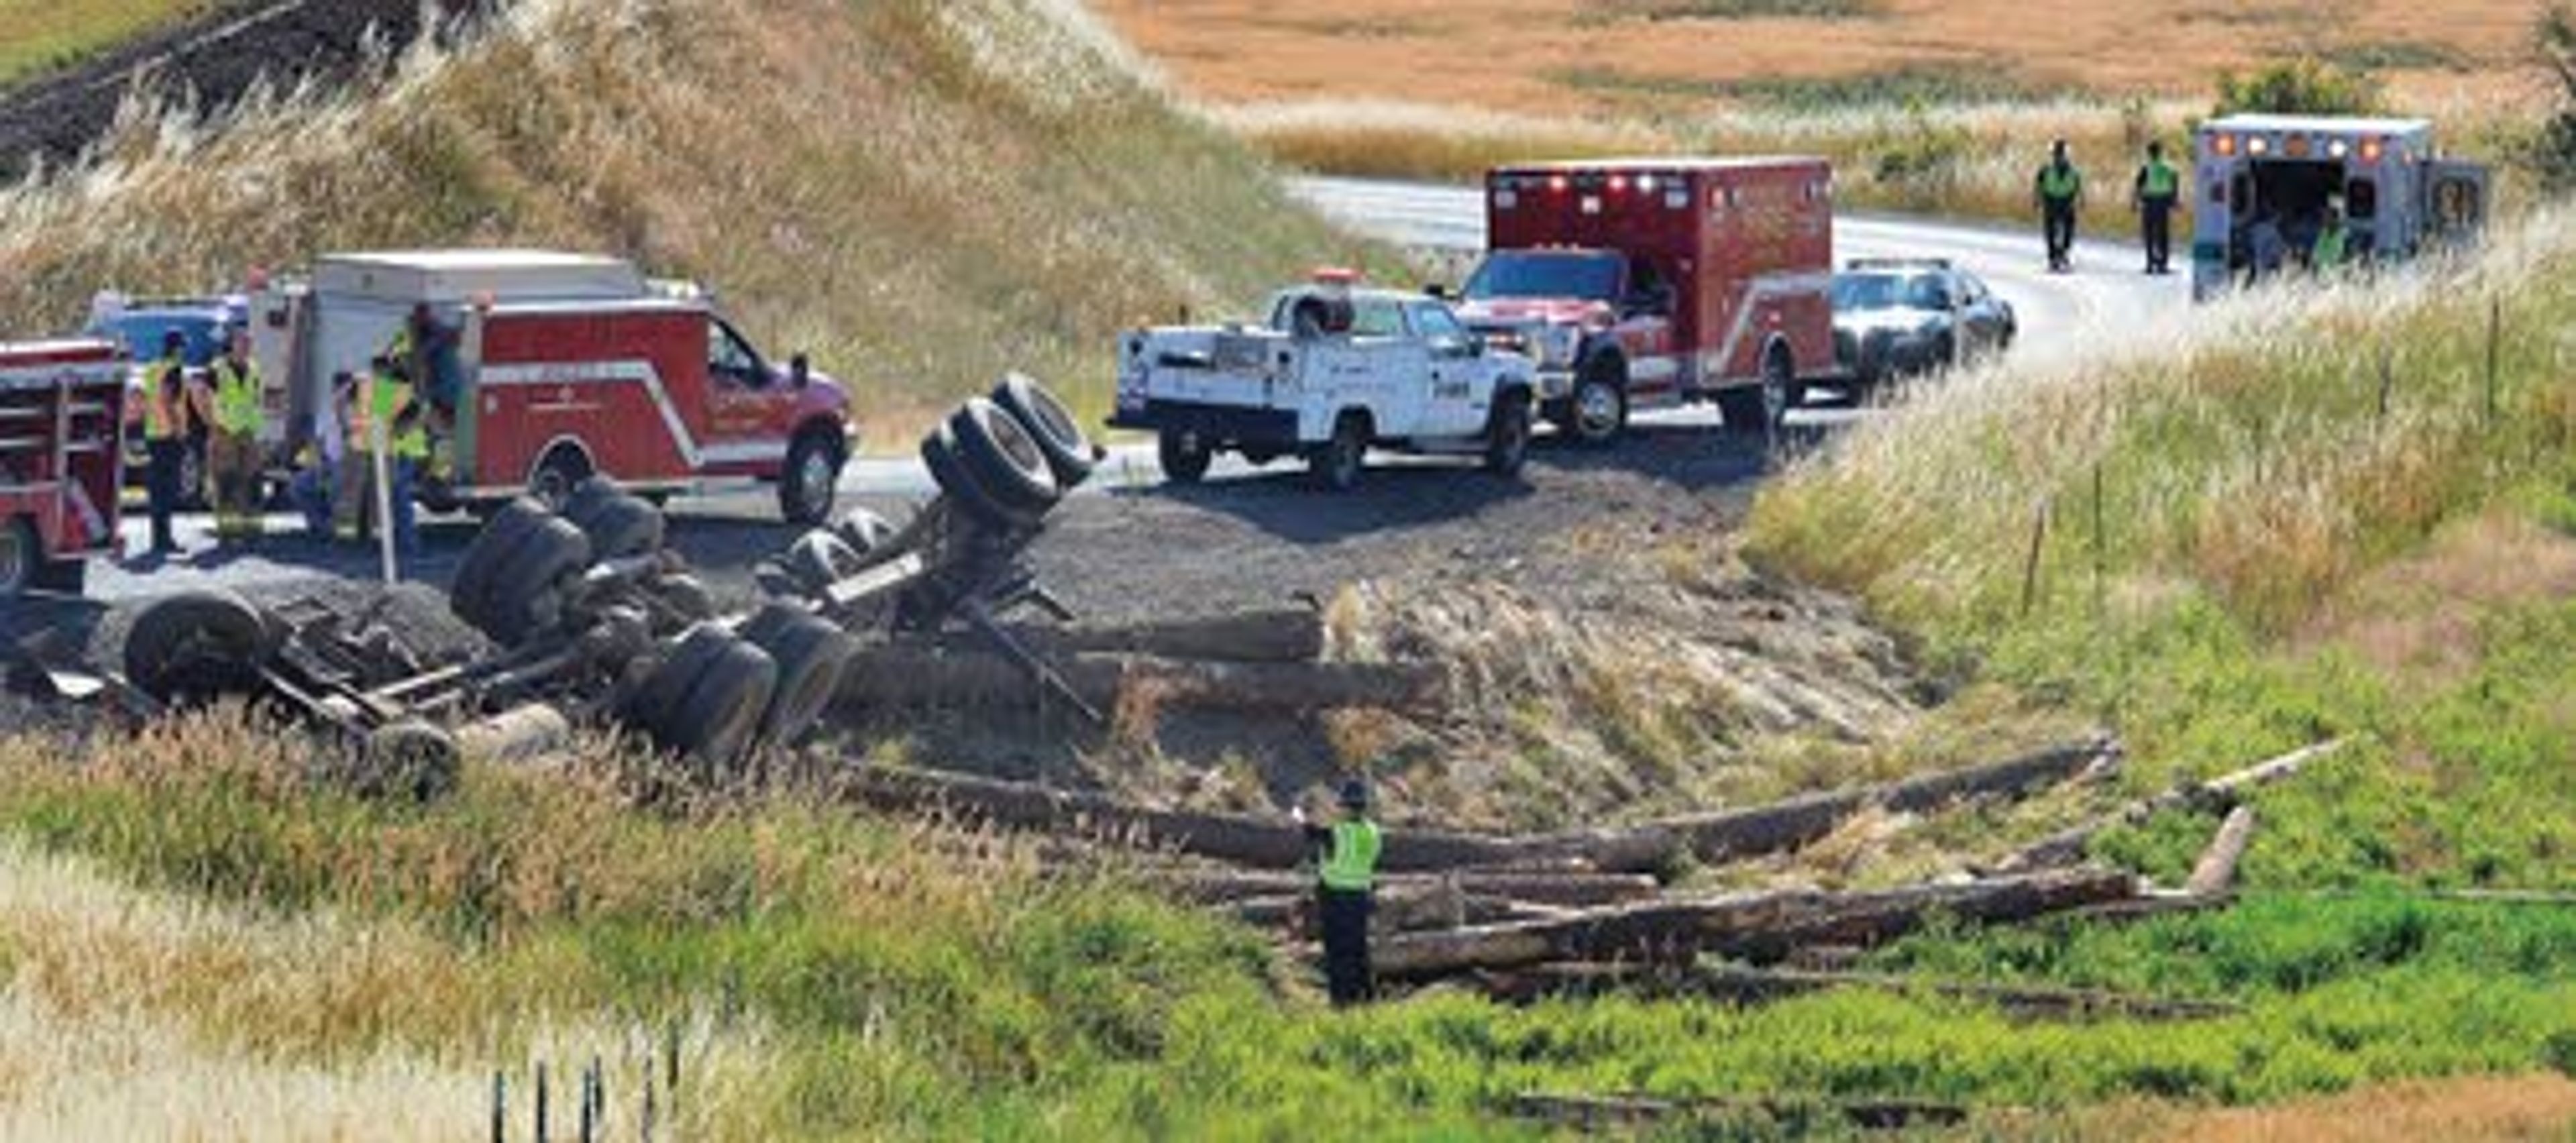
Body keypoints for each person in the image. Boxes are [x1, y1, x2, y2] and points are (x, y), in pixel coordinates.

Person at [1297, 778, 1383, 1008]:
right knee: (1359, 950)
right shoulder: (1373, 832)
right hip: (1361, 898)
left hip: (1335, 897)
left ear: (1346, 806)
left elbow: (1309, 831)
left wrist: (1299, 812)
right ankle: (1367, 998)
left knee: (1337, 952)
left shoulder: (1337, 832)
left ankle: (1341, 1002)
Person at [138, 331, 196, 556]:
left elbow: (149, 398)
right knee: (167, 490)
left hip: (153, 433)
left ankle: (158, 539)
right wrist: (178, 429)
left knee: (157, 491)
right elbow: (167, 399)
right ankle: (165, 540)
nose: (185, 351)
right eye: (183, 347)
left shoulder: (153, 368)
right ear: (177, 348)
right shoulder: (173, 369)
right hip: (168, 436)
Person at [206, 333, 266, 543]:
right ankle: (229, 531)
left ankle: (252, 529)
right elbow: (203, 395)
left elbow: (257, 398)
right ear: (231, 345)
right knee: (227, 481)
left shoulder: (254, 368)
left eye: (249, 344)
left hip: (248, 430)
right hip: (225, 431)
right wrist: (213, 424)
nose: (246, 347)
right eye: (242, 343)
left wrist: (258, 426)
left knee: (252, 481)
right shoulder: (217, 369)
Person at [2033, 140, 2085, 274]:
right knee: (2050, 231)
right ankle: (2053, 259)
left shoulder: (2073, 171)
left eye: (2061, 155)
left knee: (2068, 231)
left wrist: (2081, 200)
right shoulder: (2046, 169)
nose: (2059, 157)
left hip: (2067, 202)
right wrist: (2037, 199)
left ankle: (2063, 255)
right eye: (2057, 154)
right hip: (2050, 201)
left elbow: (2078, 186)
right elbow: (2039, 185)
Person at [2132, 141, 2181, 276]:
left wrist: (2134, 202)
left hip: (2149, 202)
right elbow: (2175, 183)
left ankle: (2150, 263)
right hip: (2163, 203)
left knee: (2149, 234)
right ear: (2161, 152)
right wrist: (2175, 200)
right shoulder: (2169, 167)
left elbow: (2138, 185)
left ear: (2149, 153)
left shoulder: (2146, 167)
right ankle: (2163, 264)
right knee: (2163, 234)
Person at [2310, 203, 2351, 274]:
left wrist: (2322, 261)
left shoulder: (2342, 233)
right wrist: (2316, 260)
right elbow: (2317, 250)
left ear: (2335, 219)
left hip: (2337, 270)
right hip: (2323, 268)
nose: (2324, 219)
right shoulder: (2324, 232)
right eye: (2324, 217)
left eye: (2327, 217)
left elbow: (2338, 254)